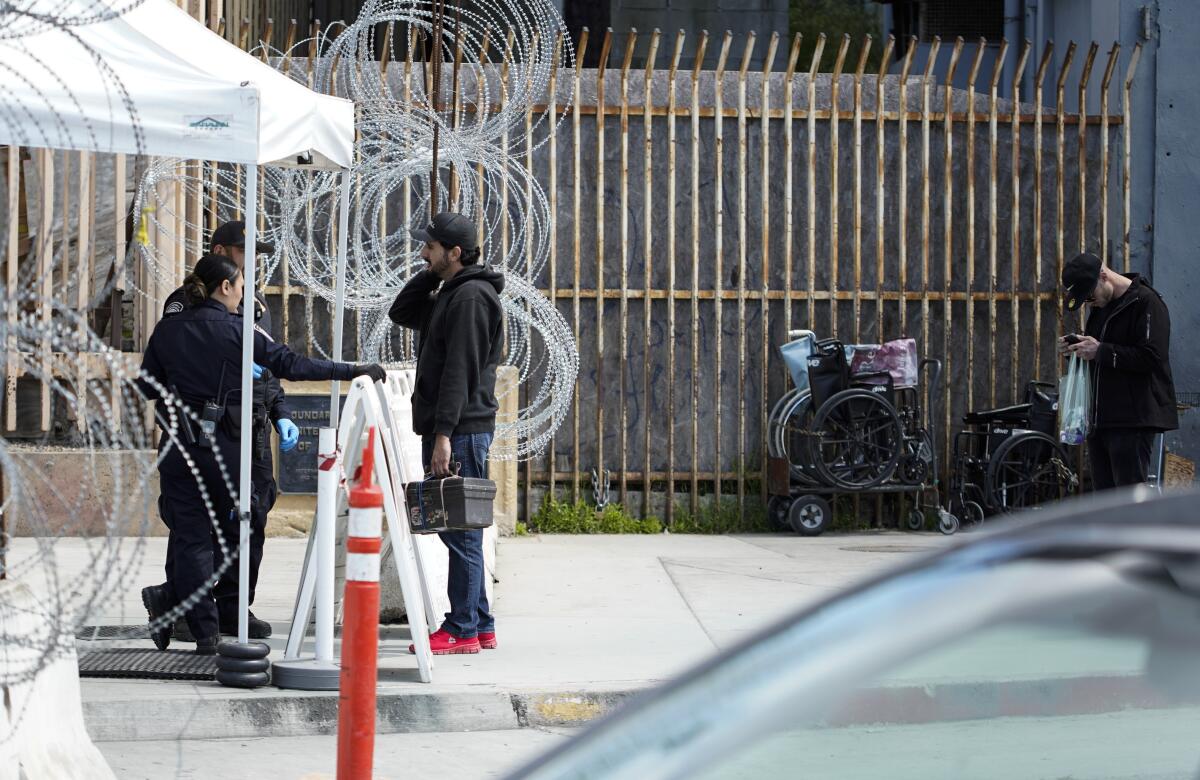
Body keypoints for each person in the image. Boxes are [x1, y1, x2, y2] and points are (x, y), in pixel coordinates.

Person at [139, 252, 386, 654]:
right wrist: (351, 370)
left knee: (192, 539)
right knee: (231, 531)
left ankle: (204, 634)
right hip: (229, 449)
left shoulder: (168, 330)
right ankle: (194, 611)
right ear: (225, 287)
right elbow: (290, 363)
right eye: (240, 286)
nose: (243, 294)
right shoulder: (239, 330)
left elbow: (148, 386)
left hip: (179, 446)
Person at [158, 220, 297, 642]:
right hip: (203, 429)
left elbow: (269, 367)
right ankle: (181, 604)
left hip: (250, 429)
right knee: (195, 523)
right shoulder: (184, 305)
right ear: (220, 252)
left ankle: (234, 606)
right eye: (244, 253)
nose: (251, 262)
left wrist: (280, 411)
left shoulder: (253, 303)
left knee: (251, 518)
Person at [389, 212, 504, 655]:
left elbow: (460, 370)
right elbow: (401, 312)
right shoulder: (451, 292)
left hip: (460, 431)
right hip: (454, 429)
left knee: (461, 530)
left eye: (431, 248)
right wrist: (431, 272)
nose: (423, 252)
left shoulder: (471, 299)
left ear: (455, 253)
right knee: (459, 527)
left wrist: (443, 436)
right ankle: (480, 623)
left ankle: (460, 628)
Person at [1058, 251, 1178, 491]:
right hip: (1100, 420)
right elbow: (1101, 354)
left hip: (1132, 419)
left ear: (1103, 276)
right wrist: (1078, 349)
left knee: (1127, 498)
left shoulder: (1146, 302)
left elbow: (1152, 357)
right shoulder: (1102, 308)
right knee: (1105, 501)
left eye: (1089, 296)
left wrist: (1100, 350)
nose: (1090, 303)